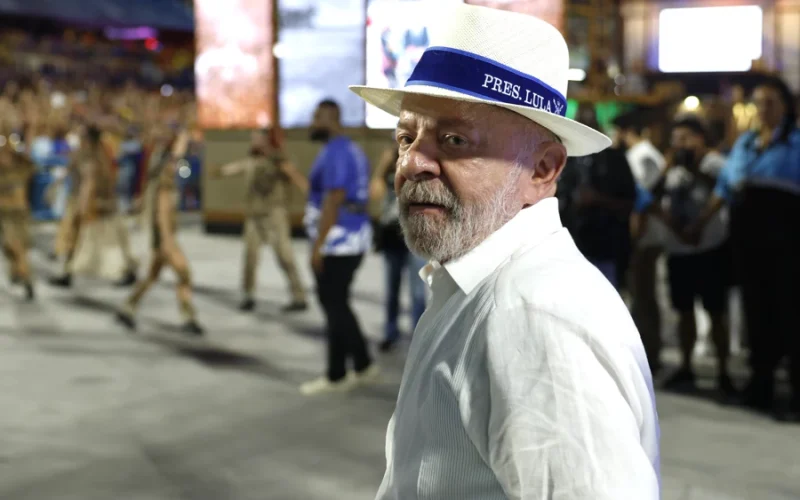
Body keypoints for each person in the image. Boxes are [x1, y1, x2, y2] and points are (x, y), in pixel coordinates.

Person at [350, 5, 659, 497]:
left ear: (542, 169)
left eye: (454, 139)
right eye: (406, 137)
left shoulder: (533, 316)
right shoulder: (476, 285)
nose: (411, 164)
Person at [687, 76, 800, 422]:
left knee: (790, 314)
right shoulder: (746, 144)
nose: (763, 109)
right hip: (749, 243)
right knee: (756, 312)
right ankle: (760, 387)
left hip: (787, 243)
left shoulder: (795, 143)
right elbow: (724, 188)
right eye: (759, 103)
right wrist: (700, 223)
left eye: (771, 102)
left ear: (786, 107)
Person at [299, 99, 378, 396]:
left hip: (339, 241)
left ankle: (339, 373)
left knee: (333, 305)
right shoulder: (352, 150)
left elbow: (333, 200)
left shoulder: (336, 152)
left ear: (331, 118)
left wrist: (318, 246)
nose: (312, 123)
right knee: (338, 303)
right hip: (352, 237)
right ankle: (360, 364)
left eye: (316, 117)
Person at [654, 116, 734, 399]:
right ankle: (686, 366)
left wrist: (698, 226)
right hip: (679, 249)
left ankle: (724, 371)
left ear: (701, 138)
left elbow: (726, 191)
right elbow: (653, 198)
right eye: (676, 139)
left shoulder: (715, 163)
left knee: (716, 312)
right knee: (683, 311)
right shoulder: (672, 168)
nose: (680, 145)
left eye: (686, 138)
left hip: (711, 248)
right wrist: (667, 169)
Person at [116, 126, 204, 335]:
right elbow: (163, 218)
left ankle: (128, 306)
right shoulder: (164, 187)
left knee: (151, 276)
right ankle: (188, 317)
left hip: (165, 239)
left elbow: (180, 166)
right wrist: (167, 243)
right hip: (166, 240)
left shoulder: (165, 179)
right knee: (184, 273)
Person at [213, 128, 308, 313]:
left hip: (274, 215)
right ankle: (248, 295)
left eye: (257, 138)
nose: (253, 142)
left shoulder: (277, 160)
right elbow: (236, 167)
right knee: (250, 257)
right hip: (254, 216)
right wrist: (220, 171)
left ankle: (299, 296)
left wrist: (309, 192)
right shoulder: (252, 161)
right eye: (253, 138)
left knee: (285, 256)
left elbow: (293, 175)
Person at [557, 104, 637, 289]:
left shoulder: (615, 159)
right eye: (581, 125)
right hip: (569, 248)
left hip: (606, 248)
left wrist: (598, 199)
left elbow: (629, 203)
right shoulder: (566, 159)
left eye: (590, 125)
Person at [369, 143, 427, 352]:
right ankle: (390, 332)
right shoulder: (389, 168)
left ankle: (419, 338)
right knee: (391, 289)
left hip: (416, 234)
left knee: (418, 291)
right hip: (392, 234)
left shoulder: (420, 163)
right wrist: (382, 166)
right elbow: (374, 194)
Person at [0, 133, 35, 300]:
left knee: (18, 246)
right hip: (5, 214)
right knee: (9, 247)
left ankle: (26, 277)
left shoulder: (21, 168)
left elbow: (31, 164)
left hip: (19, 213)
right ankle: (18, 272)